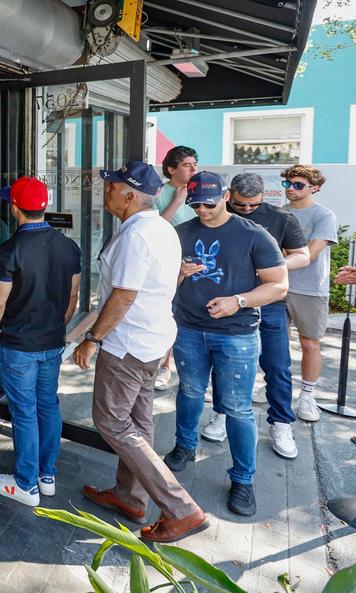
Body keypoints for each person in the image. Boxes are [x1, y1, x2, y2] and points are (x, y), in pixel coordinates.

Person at [73, 161, 208, 543]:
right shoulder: (160, 229)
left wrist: (92, 338)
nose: (106, 192)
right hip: (152, 340)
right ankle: (130, 497)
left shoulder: (136, 236)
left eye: (111, 187)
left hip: (128, 344)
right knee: (139, 419)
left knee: (113, 422)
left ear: (130, 195)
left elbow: (124, 295)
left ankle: (180, 508)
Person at [165, 171, 288, 517]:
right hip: (189, 328)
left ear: (225, 196)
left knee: (237, 408)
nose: (202, 210)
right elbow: (162, 280)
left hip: (236, 333)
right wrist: (180, 273)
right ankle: (184, 446)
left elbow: (279, 286)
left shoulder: (253, 234)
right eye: (195, 204)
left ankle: (243, 479)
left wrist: (239, 301)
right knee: (189, 391)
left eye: (209, 203)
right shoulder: (182, 232)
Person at [0, 176, 81, 507]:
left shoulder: (10, 251)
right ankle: (46, 474)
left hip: (18, 346)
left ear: (14, 208)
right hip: (51, 343)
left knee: (24, 413)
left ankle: (26, 484)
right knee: (48, 406)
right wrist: (57, 327)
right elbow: (73, 296)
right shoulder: (68, 246)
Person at [202, 173, 310, 459]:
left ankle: (281, 422)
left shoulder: (281, 218)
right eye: (240, 204)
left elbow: (303, 255)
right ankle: (222, 414)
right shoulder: (216, 217)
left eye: (253, 205)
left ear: (263, 197)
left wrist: (270, 265)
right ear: (228, 196)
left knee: (277, 364)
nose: (247, 209)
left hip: (270, 301)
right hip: (227, 301)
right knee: (224, 361)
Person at [282, 165, 338, 422]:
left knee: (309, 343)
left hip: (310, 289)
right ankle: (275, 386)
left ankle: (307, 395)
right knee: (274, 343)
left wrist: (281, 256)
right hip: (278, 285)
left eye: (298, 185)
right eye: (288, 184)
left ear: (314, 188)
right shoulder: (278, 213)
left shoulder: (324, 216)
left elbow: (310, 255)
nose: (291, 189)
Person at [153, 145, 199, 390]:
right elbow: (155, 226)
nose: (193, 169)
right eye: (186, 165)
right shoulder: (159, 193)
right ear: (171, 169)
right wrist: (178, 200)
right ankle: (164, 366)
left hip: (200, 261)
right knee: (170, 312)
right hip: (171, 263)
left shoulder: (201, 190)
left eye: (194, 164)